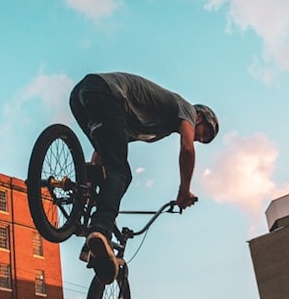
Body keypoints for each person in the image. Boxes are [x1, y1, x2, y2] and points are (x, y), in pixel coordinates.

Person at [69, 72, 219, 284]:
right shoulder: (186, 108)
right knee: (121, 173)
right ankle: (100, 229)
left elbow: (104, 150)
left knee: (110, 167)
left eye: (204, 140)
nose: (201, 139)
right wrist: (184, 190)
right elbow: (187, 149)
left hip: (81, 96)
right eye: (205, 133)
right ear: (200, 117)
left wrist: (90, 185)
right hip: (106, 92)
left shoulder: (153, 126)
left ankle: (89, 236)